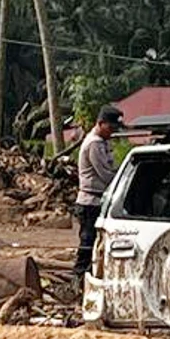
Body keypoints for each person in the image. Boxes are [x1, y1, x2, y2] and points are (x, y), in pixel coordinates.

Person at [73, 105, 124, 278]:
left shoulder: (102, 142)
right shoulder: (94, 143)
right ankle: (78, 279)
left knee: (96, 245)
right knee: (87, 245)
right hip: (90, 202)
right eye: (110, 128)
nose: (112, 132)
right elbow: (106, 175)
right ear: (100, 123)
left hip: (97, 201)